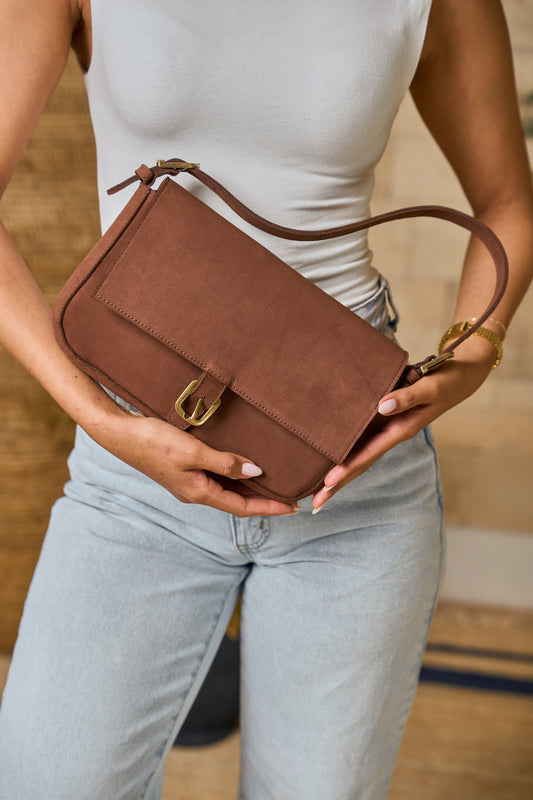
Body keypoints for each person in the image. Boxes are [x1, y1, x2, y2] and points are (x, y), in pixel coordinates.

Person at [0, 0, 531, 798]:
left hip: (352, 475)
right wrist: (102, 419)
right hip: (134, 469)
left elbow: (506, 200)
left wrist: (474, 352)